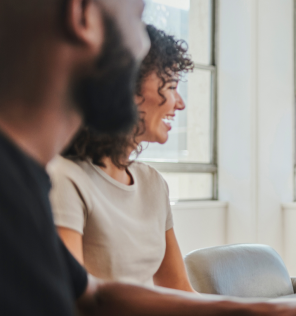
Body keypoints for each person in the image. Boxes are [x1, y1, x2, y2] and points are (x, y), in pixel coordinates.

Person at [0, 0, 296, 315]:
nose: (141, 46)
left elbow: (93, 295)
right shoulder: (44, 183)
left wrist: (279, 311)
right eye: (137, 15)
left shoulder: (25, 181)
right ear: (83, 15)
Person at [48, 24, 194, 291]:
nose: (180, 103)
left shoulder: (153, 183)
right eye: (171, 85)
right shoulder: (64, 179)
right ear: (130, 87)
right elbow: (77, 300)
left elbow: (180, 289)